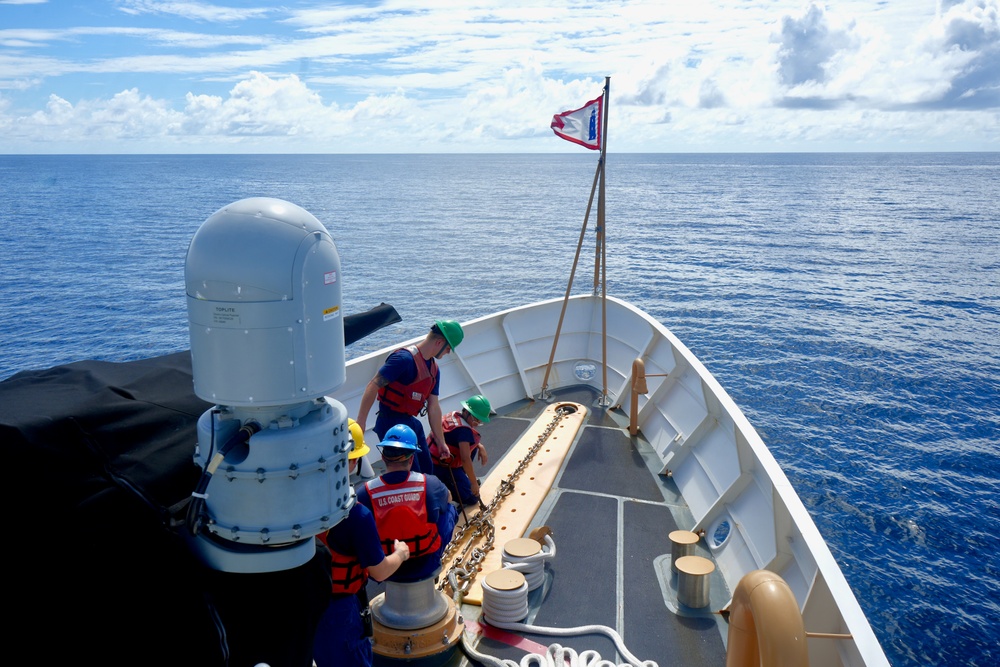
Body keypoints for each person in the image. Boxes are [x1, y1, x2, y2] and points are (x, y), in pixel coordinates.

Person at [313, 419, 410, 667]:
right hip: (339, 609)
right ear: (353, 461)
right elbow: (379, 571)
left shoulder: (293, 505)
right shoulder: (356, 515)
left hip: (302, 601)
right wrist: (400, 553)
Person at [355, 319, 464, 475]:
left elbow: (433, 406)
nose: (448, 352)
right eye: (448, 348)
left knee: (427, 471)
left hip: (411, 423)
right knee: (411, 474)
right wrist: (361, 422)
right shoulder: (403, 360)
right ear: (440, 342)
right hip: (390, 422)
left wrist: (441, 443)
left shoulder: (434, 370)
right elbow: (373, 385)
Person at [356, 424, 458, 583]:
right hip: (426, 563)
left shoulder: (365, 492)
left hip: (387, 567)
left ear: (383, 457)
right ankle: (436, 556)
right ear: (412, 458)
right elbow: (449, 498)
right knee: (450, 508)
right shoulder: (430, 483)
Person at [429, 394, 492, 508]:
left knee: (473, 444)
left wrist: (480, 446)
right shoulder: (464, 432)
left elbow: (455, 438)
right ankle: (451, 484)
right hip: (443, 467)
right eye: (476, 420)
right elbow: (465, 459)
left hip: (433, 459)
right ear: (467, 413)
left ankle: (461, 478)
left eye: (479, 422)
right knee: (472, 498)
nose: (476, 424)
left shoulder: (456, 415)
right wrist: (473, 484)